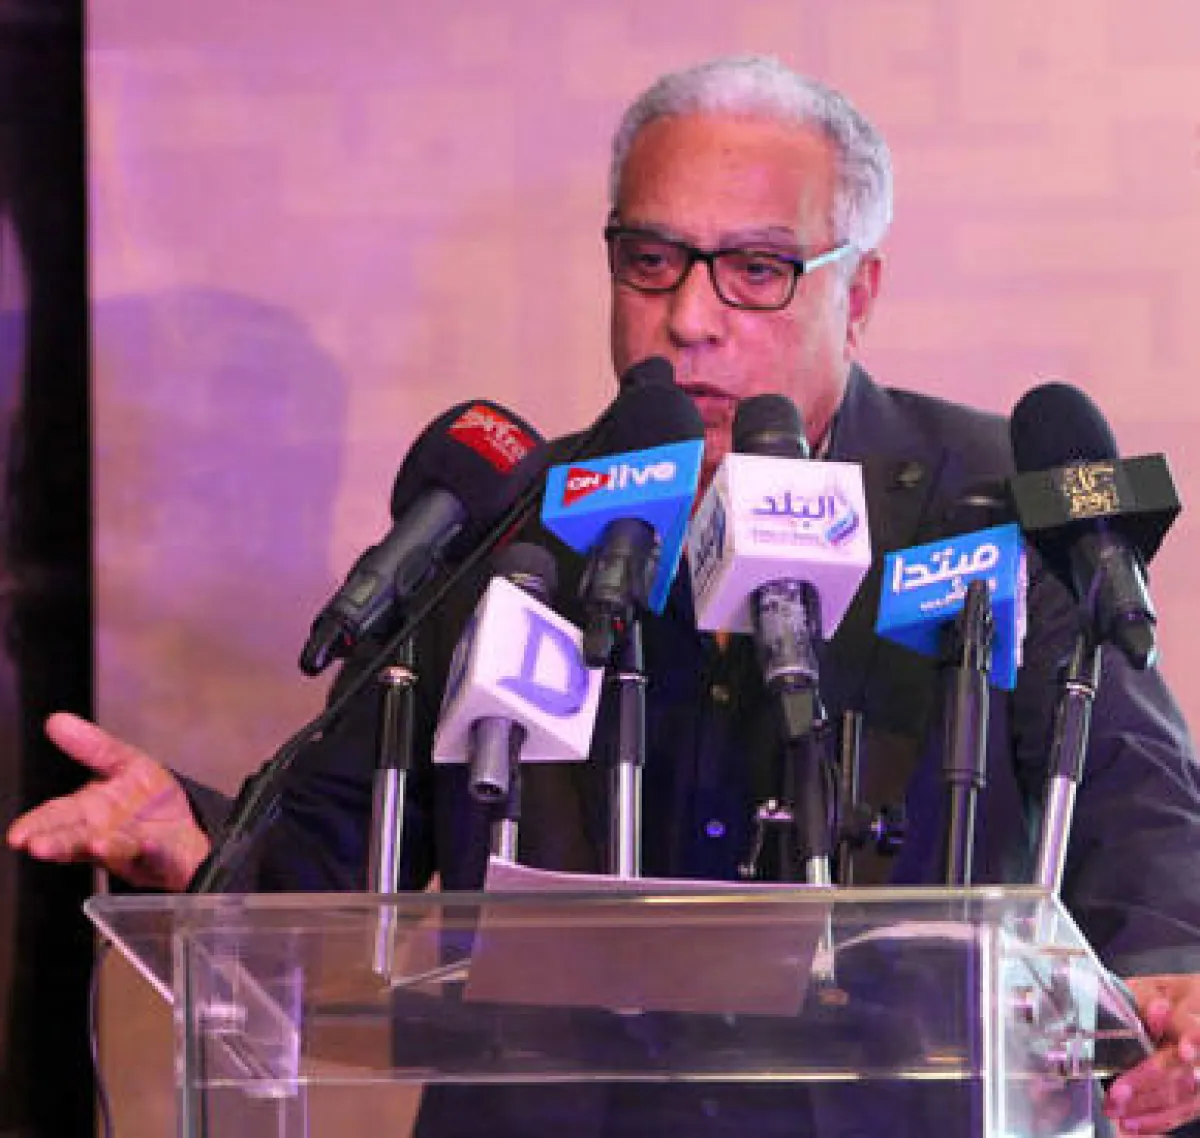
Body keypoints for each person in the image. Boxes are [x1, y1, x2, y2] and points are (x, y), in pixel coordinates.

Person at [9, 55, 1200, 1136]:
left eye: (756, 271)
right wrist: (199, 846)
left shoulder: (988, 501)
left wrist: (1172, 975)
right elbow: (338, 852)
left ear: (861, 291)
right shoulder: (519, 517)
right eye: (652, 261)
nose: (691, 319)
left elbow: (1138, 802)